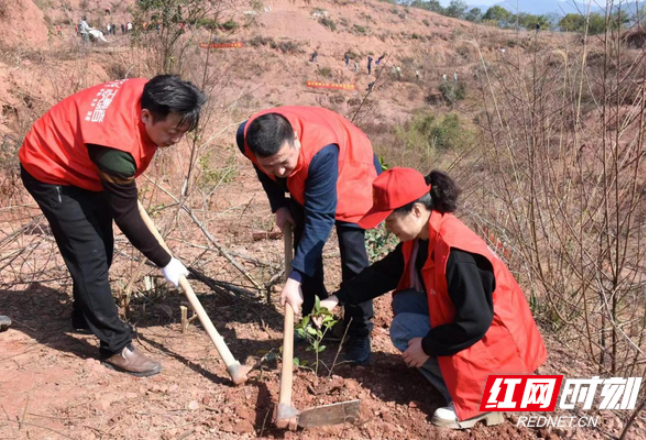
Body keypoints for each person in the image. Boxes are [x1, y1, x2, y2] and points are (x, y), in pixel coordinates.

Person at [315, 167, 547, 429]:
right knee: (406, 303)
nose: (388, 229)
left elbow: (475, 321)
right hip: (483, 333)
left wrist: (427, 346)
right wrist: (336, 299)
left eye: (390, 221)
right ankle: (460, 380)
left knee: (404, 329)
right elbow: (384, 273)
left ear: (415, 210)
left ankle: (476, 402)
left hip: (498, 348)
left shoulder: (456, 253)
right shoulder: (422, 237)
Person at [19, 75, 207, 377]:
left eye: (183, 132)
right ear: (145, 116)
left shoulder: (154, 92)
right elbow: (126, 214)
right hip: (51, 167)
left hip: (84, 163)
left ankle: (85, 316)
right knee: (89, 255)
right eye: (172, 131)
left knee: (101, 247)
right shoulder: (116, 146)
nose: (176, 140)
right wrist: (165, 261)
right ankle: (115, 347)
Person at [236, 107, 382, 364]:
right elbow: (265, 171)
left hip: (352, 169)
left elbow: (321, 219)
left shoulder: (322, 149)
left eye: (284, 162)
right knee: (304, 245)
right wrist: (279, 204)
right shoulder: (246, 137)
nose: (279, 172)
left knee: (353, 256)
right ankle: (315, 320)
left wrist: (294, 277)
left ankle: (358, 330)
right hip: (307, 172)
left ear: (295, 137)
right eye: (270, 165)